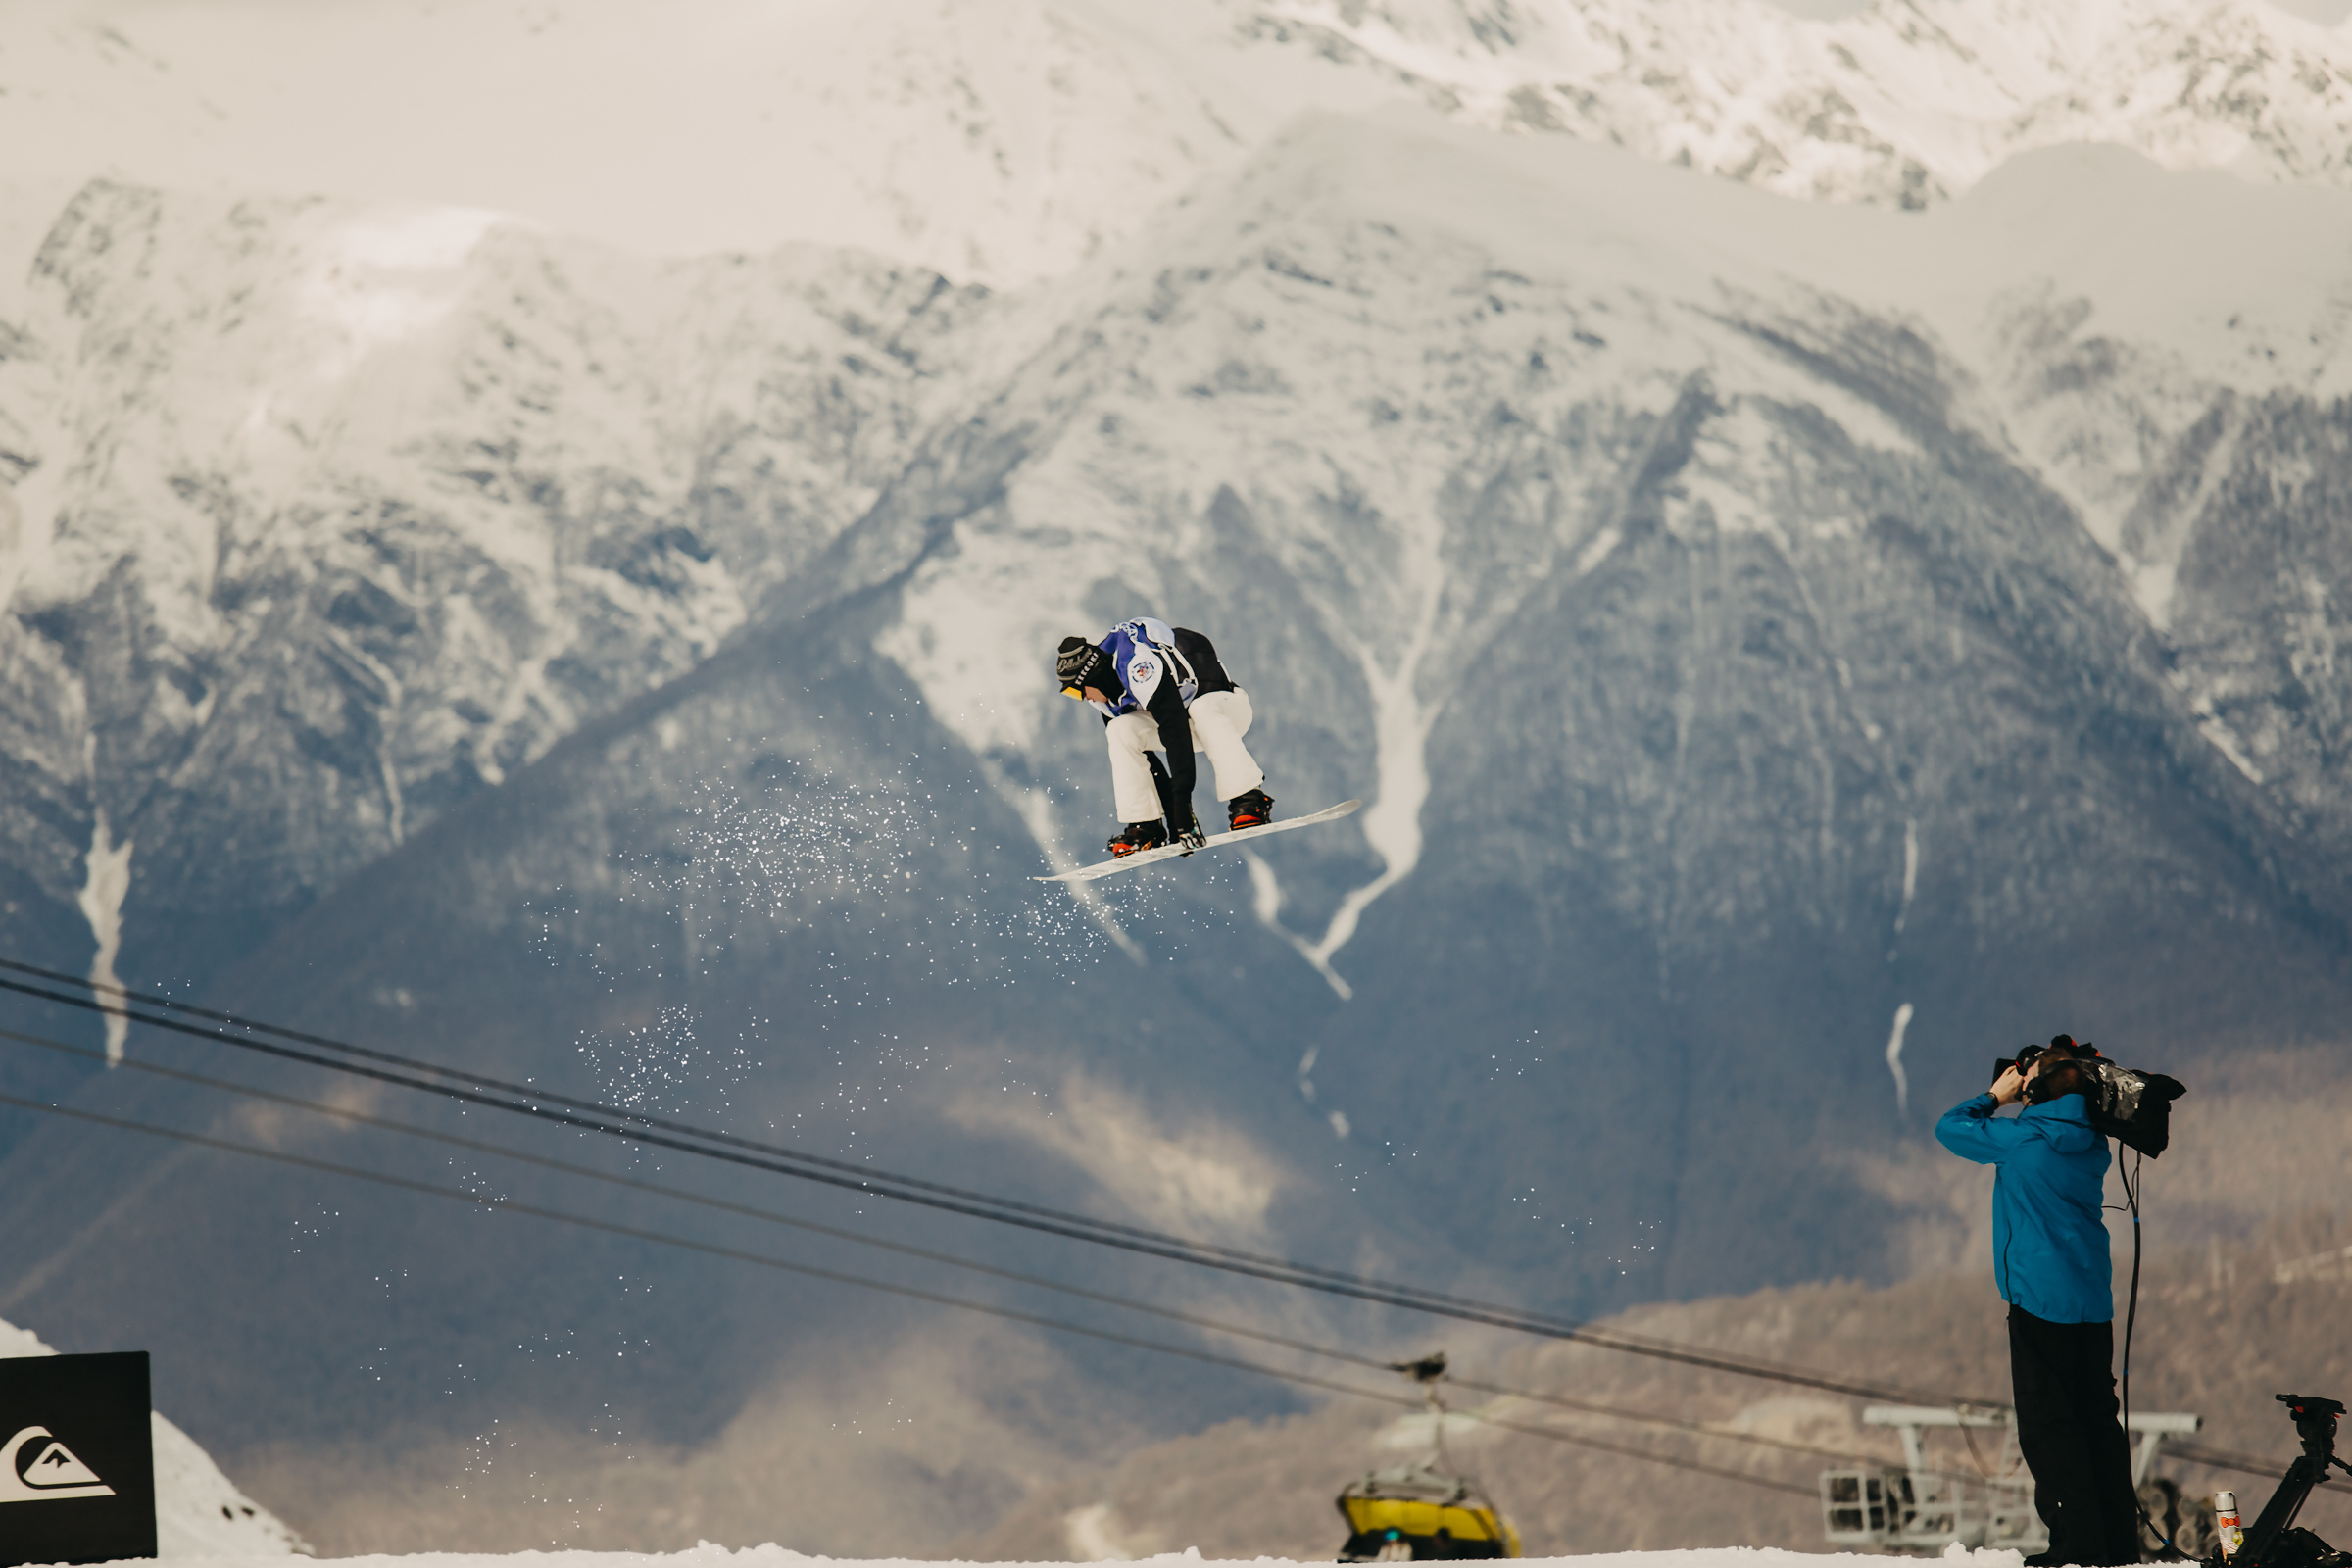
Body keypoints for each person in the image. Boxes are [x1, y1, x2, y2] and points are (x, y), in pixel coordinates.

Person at [1936, 1035, 2141, 1567]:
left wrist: (1994, 1095)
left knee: (2050, 1428)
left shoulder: (2023, 1139)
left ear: (2038, 1091)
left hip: (2039, 1303)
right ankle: (2118, 1544)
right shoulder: (2092, 1140)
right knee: (2098, 1420)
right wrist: (2046, 1081)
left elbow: (1949, 1128)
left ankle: (2078, 1547)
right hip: (2092, 1304)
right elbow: (2064, 1100)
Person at [1054, 617, 1274, 857]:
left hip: (1227, 712)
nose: (1083, 699)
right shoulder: (1105, 698)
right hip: (1186, 725)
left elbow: (1175, 732)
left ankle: (1249, 799)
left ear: (1093, 677)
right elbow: (1148, 761)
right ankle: (1145, 827)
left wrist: (1182, 812)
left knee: (1202, 708)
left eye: (1076, 691)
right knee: (1121, 730)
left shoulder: (1139, 666)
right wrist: (1172, 823)